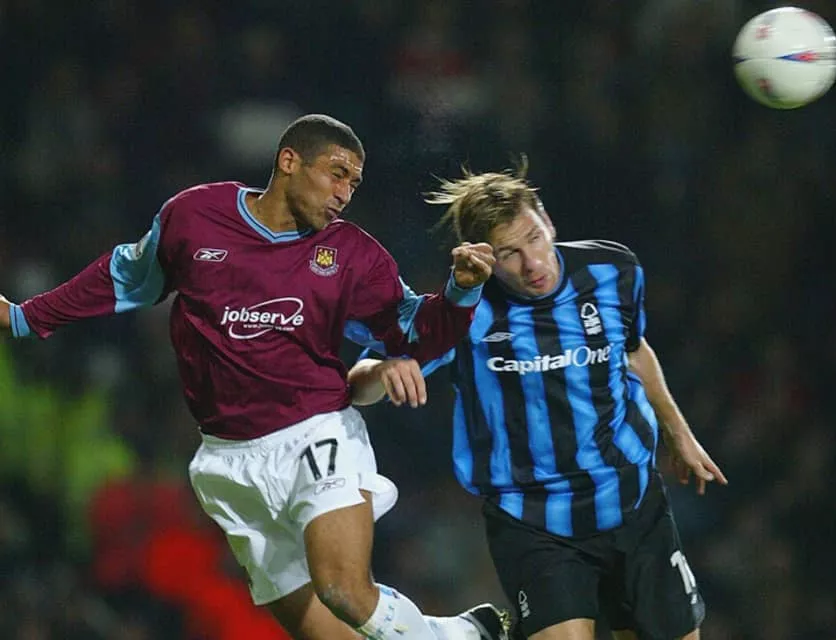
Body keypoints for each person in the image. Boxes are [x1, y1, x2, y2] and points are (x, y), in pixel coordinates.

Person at [0, 114, 512, 640]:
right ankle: (465, 634)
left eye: (354, 183)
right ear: (289, 161)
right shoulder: (195, 217)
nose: (344, 193)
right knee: (326, 634)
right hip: (227, 461)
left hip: (316, 433)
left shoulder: (352, 256)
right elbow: (124, 276)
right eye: (336, 173)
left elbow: (412, 332)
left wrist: (460, 292)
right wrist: (24, 317)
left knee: (344, 591)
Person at [349, 161, 728, 640]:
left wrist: (679, 433)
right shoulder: (461, 312)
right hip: (532, 521)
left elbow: (633, 350)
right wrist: (384, 370)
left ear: (547, 221)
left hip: (631, 499)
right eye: (509, 253)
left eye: (533, 238)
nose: (532, 263)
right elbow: (357, 386)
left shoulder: (612, 270)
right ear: (485, 258)